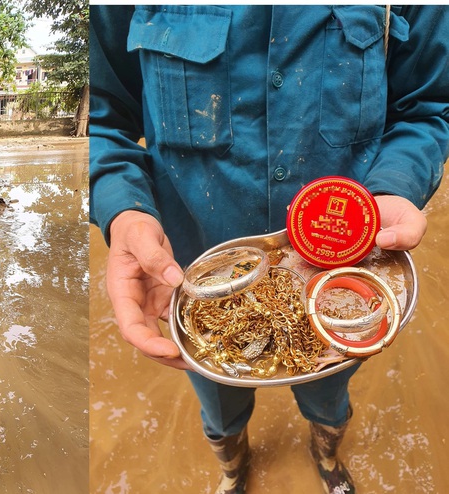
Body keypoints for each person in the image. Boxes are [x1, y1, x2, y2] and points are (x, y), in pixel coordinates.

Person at [90, 5, 449, 494]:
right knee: (218, 405)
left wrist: (395, 187)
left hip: (338, 285)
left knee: (328, 396)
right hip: (197, 291)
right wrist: (125, 209)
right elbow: (107, 119)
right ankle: (233, 469)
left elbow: (425, 107)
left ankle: (326, 456)